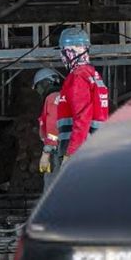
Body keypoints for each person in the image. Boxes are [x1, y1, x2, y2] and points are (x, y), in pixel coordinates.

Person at [57, 27, 110, 160]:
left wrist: (71, 153)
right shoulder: (93, 75)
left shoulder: (78, 77)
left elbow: (82, 116)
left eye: (62, 51)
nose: (61, 56)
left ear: (70, 51)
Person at [33, 67, 66, 189]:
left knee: (52, 185)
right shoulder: (64, 96)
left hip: (57, 149)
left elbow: (53, 126)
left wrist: (46, 152)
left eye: (38, 87)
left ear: (45, 83)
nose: (39, 91)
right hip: (65, 148)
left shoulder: (52, 98)